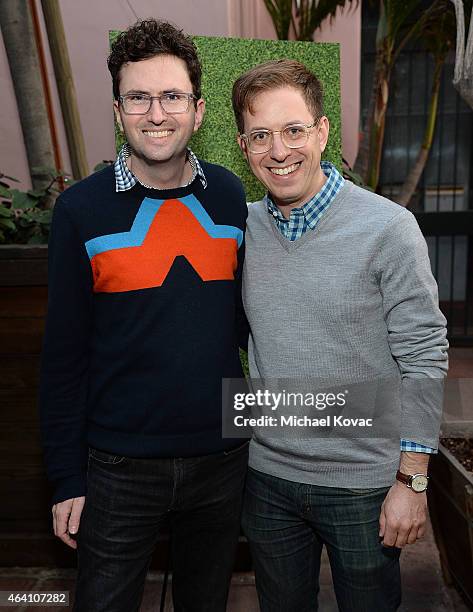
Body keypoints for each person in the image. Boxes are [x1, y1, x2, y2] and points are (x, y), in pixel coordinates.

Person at [40, 19, 248, 612]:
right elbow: (63, 355)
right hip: (116, 467)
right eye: (139, 97)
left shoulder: (231, 197)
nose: (156, 113)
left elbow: (245, 326)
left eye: (172, 96)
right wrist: (66, 478)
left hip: (221, 459)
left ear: (199, 109)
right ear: (117, 108)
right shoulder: (80, 209)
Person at [231, 59, 448, 611]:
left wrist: (412, 482)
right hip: (268, 480)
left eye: (293, 130)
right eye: (261, 136)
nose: (279, 151)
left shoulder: (388, 228)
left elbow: (424, 357)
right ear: (243, 145)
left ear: (322, 131)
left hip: (365, 484)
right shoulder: (243, 230)